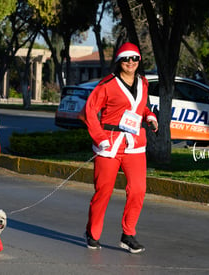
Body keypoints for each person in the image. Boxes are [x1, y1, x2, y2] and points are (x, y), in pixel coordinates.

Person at [83, 42, 158, 254]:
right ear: (119, 61)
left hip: (134, 144)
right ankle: (93, 233)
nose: (131, 62)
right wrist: (99, 138)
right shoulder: (106, 84)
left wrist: (150, 117)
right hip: (109, 144)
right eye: (126, 59)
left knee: (138, 190)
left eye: (134, 58)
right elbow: (89, 111)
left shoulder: (143, 83)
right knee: (103, 191)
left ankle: (128, 234)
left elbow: (141, 106)